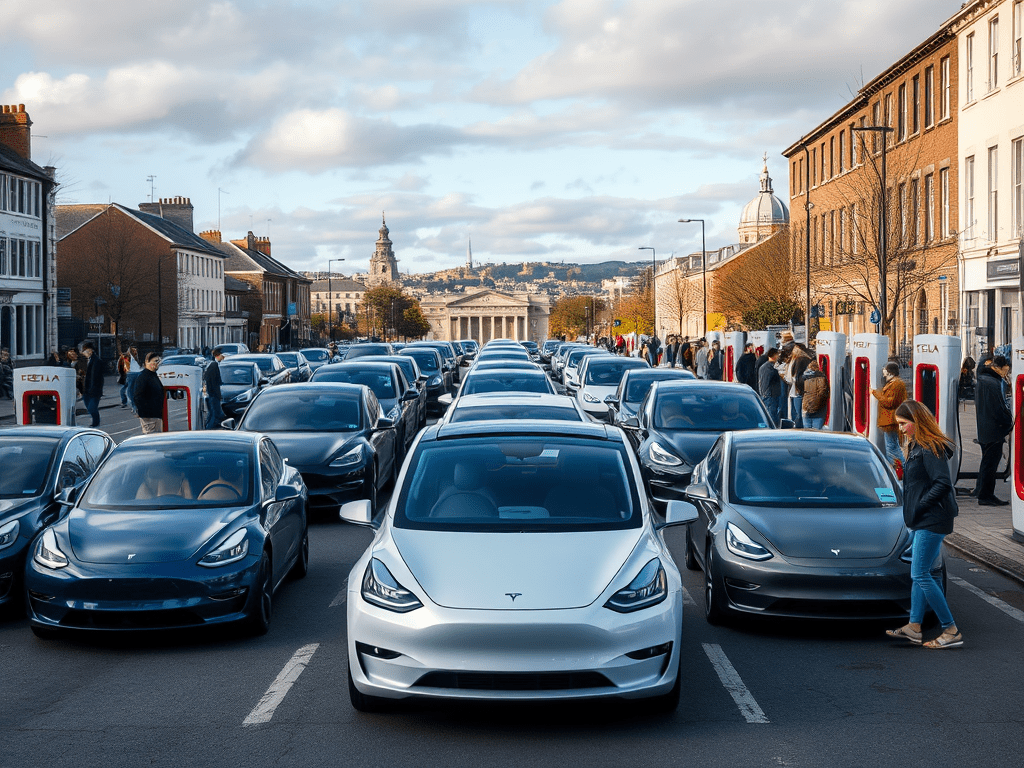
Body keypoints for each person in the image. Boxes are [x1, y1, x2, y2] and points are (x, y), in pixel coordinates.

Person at [886, 400, 963, 649]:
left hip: (932, 518)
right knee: (925, 573)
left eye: (903, 424)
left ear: (916, 421)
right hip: (925, 518)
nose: (901, 429)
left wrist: (919, 505)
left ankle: (950, 630)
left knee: (919, 573)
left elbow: (942, 483)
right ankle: (914, 627)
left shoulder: (930, 448)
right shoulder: (919, 445)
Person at [974, 354, 1012, 505]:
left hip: (985, 429)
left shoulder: (983, 380)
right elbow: (998, 408)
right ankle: (986, 495)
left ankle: (980, 490)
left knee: (986, 463)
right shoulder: (992, 383)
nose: (1006, 373)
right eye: (1005, 370)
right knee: (991, 464)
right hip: (993, 430)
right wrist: (1009, 421)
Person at [870, 362, 908, 469]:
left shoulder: (896, 384)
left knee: (892, 448)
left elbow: (889, 402)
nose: (883, 372)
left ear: (890, 372)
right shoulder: (894, 383)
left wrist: (874, 393)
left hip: (891, 420)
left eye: (885, 370)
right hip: (890, 420)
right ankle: (900, 470)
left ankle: (899, 471)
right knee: (893, 446)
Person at [133, 352, 166, 434]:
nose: (158, 363)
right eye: (155, 361)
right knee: (151, 440)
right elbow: (137, 396)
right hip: (149, 416)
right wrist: (144, 413)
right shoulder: (143, 377)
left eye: (159, 361)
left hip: (156, 415)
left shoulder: (153, 375)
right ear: (147, 362)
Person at [80, 341, 104, 427]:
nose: (84, 353)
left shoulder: (97, 361)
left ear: (90, 351)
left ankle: (96, 422)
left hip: (94, 389)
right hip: (86, 389)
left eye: (85, 351)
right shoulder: (86, 361)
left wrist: (95, 388)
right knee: (88, 406)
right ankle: (95, 421)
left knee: (92, 407)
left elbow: (96, 377)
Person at [801, 359, 830, 429]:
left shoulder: (803, 378)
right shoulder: (822, 377)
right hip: (819, 409)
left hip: (806, 407)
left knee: (807, 431)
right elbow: (823, 393)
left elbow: (800, 391)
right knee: (817, 432)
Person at [757, 348, 782, 424]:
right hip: (770, 396)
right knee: (772, 416)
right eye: (777, 355)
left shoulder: (764, 367)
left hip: (768, 395)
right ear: (773, 355)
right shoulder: (769, 368)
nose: (778, 357)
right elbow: (765, 382)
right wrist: (766, 394)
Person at [204, 346, 226, 430]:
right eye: (222, 356)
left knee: (212, 413)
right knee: (216, 415)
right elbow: (214, 382)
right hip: (213, 395)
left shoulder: (211, 365)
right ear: (218, 355)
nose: (223, 358)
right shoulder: (214, 365)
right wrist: (217, 395)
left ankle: (207, 427)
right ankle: (209, 429)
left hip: (211, 394)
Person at [124, 347, 142, 413]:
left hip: (132, 374)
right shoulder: (136, 357)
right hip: (137, 373)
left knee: (130, 391)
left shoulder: (128, 357)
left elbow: (125, 366)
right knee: (133, 390)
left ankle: (134, 406)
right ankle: (135, 406)